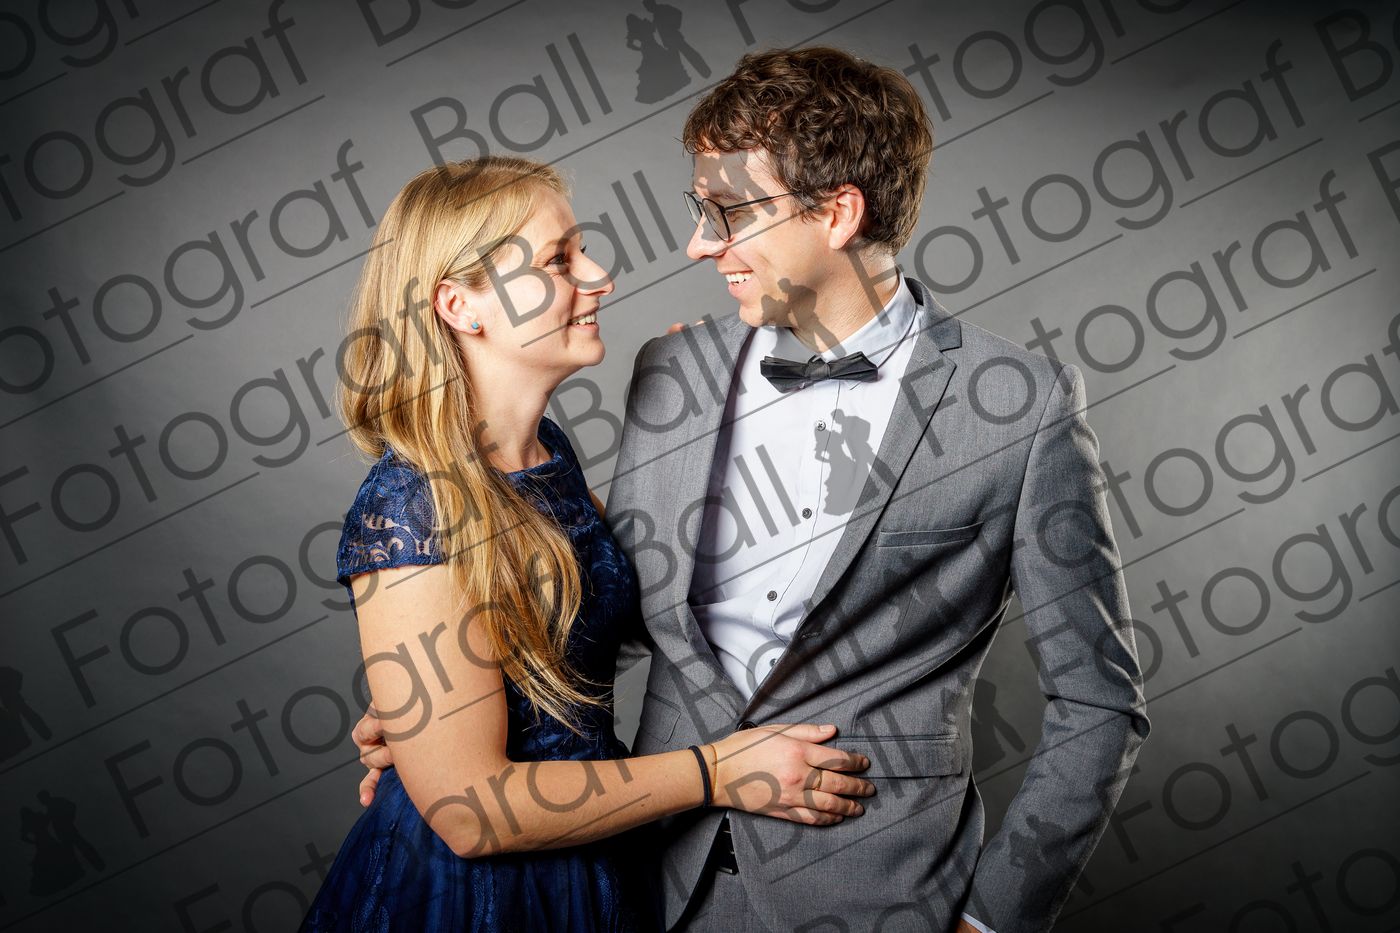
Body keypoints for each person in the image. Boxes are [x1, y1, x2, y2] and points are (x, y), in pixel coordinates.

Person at [356, 48, 1151, 933]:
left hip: (881, 897)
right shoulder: (671, 371)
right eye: (701, 210)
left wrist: (993, 921)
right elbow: (622, 608)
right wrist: (443, 711)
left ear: (837, 213)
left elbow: (1100, 702)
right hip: (647, 885)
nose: (699, 244)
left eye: (728, 213)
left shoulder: (1021, 406)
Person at [300, 156, 876, 933]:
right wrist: (719, 771)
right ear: (461, 305)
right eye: (559, 260)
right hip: (477, 900)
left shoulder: (546, 455)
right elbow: (472, 812)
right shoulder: (410, 504)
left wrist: (705, 429)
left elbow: (623, 616)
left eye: (583, 251)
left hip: (594, 858)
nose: (599, 277)